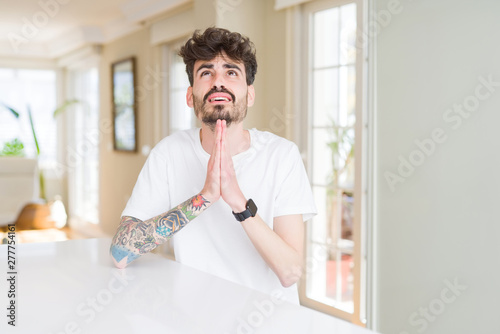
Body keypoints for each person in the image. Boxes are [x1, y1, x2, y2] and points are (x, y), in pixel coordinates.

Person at [110, 27, 316, 304]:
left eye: (231, 72)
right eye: (206, 72)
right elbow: (120, 252)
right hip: (198, 320)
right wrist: (204, 196)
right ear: (190, 95)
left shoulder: (282, 155)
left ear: (250, 94)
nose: (219, 82)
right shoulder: (168, 153)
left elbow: (291, 273)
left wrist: (239, 204)